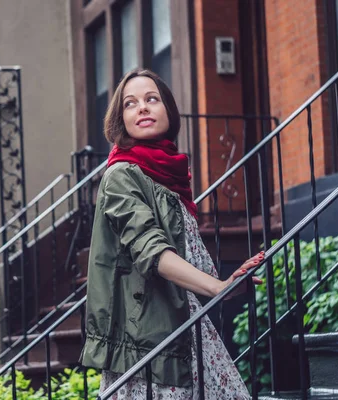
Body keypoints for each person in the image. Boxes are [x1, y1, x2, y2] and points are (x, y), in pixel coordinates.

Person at [79, 69, 263, 399]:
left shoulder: (169, 178)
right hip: (149, 340)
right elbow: (151, 249)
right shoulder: (122, 175)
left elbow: (185, 256)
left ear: (168, 110)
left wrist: (228, 286)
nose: (143, 108)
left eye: (152, 99)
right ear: (121, 120)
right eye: (130, 103)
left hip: (186, 328)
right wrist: (217, 287)